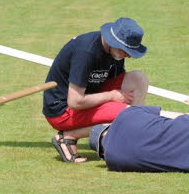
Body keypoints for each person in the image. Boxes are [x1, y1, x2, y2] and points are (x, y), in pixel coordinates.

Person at [43, 17, 149, 163]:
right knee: (127, 114)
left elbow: (117, 81)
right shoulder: (86, 52)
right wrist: (111, 96)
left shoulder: (114, 52)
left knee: (138, 79)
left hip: (90, 96)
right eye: (126, 50)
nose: (129, 55)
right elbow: (75, 101)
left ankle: (130, 135)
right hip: (63, 111)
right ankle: (68, 136)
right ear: (113, 41)